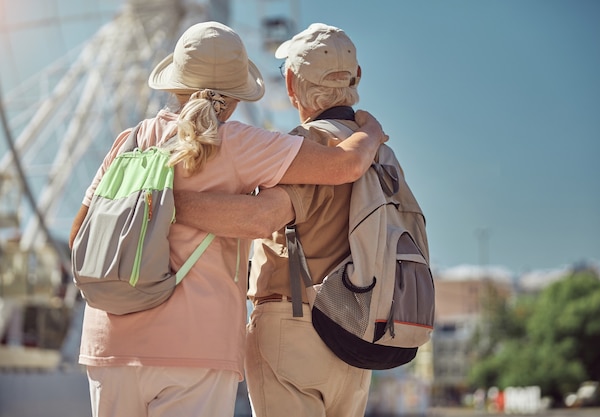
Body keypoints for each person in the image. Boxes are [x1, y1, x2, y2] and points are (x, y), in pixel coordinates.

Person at [68, 21, 385, 417]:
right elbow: (345, 164)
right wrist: (370, 133)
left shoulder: (127, 142)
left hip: (108, 342)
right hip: (196, 343)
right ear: (236, 97)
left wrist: (151, 205)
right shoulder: (236, 143)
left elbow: (79, 235)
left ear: (175, 83)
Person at [174, 23, 379, 417]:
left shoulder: (304, 147)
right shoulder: (382, 155)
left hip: (296, 325)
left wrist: (161, 202)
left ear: (290, 81)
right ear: (357, 78)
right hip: (359, 330)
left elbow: (261, 216)